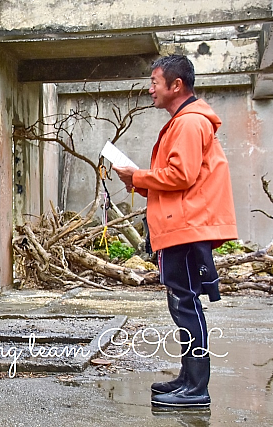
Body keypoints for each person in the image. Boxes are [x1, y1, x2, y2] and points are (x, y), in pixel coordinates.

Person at [112, 55, 238, 408]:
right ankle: (188, 378)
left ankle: (197, 387)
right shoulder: (186, 121)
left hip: (186, 226)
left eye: (155, 82)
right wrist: (140, 182)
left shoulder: (188, 123)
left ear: (175, 85)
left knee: (186, 304)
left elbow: (180, 176)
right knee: (182, 302)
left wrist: (137, 177)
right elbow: (181, 177)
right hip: (182, 224)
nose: (150, 89)